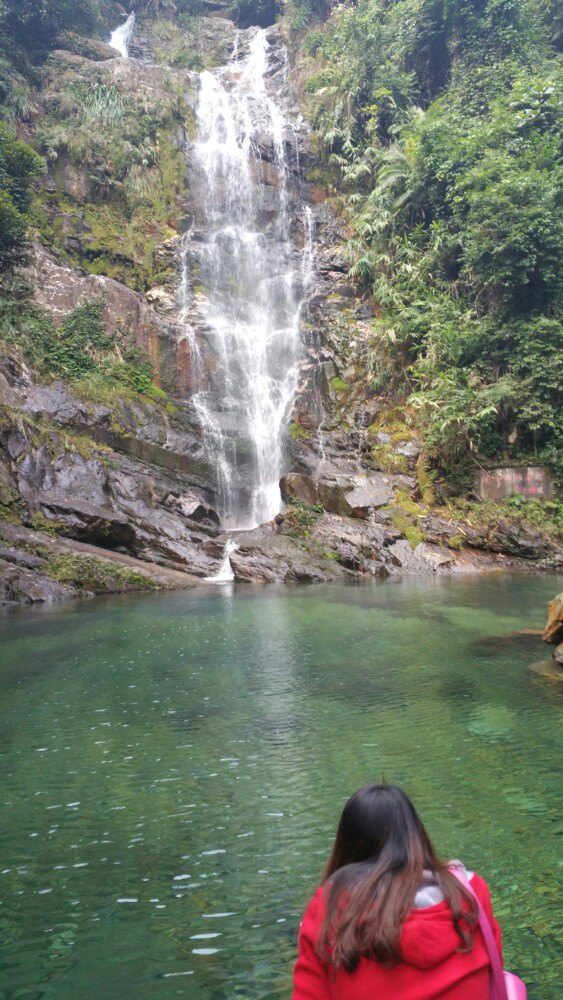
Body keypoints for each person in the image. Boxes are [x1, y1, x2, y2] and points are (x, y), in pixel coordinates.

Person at [292, 784, 502, 1000]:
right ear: (416, 835)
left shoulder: (330, 905)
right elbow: (494, 972)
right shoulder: (470, 891)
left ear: (347, 845)